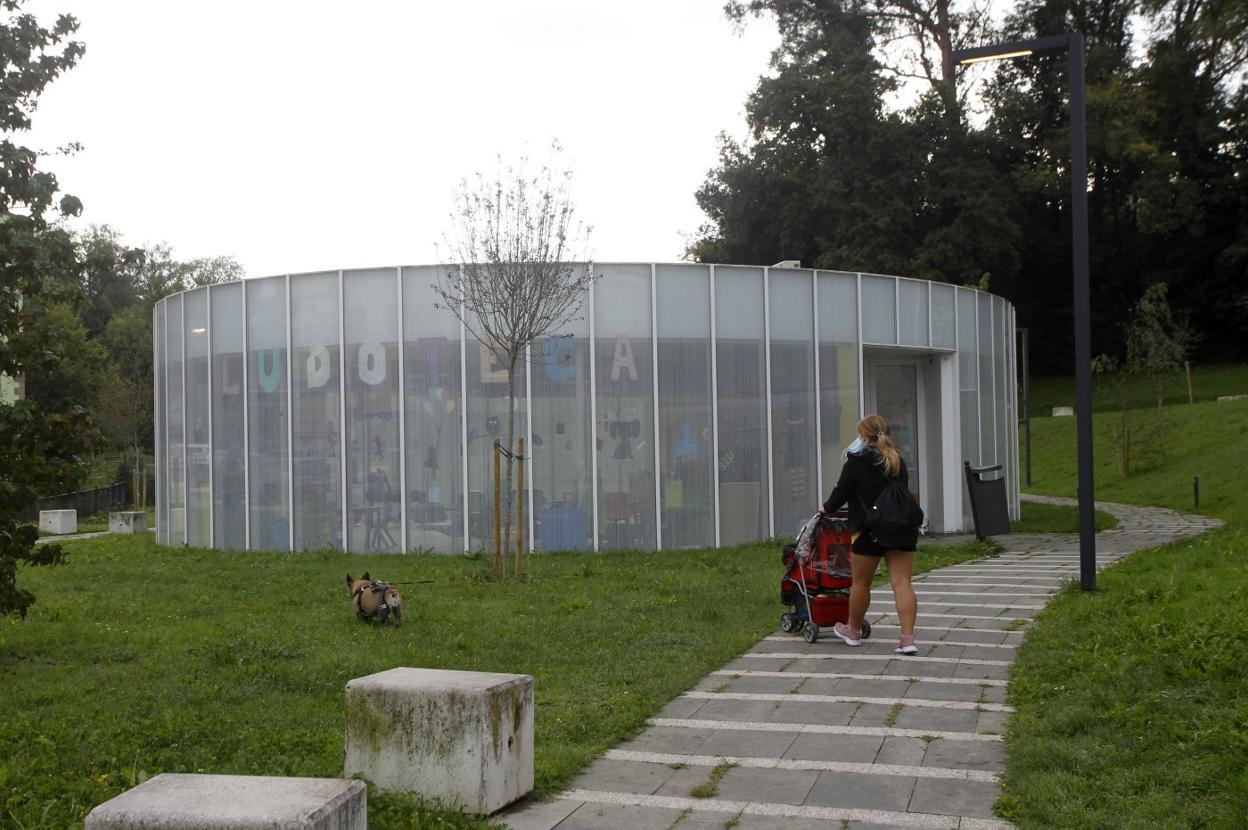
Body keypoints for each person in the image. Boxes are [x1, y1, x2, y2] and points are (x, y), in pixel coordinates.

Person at [820, 414, 919, 655]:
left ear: (863, 436)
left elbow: (838, 497)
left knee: (861, 583)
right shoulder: (897, 460)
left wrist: (825, 508)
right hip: (901, 528)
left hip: (869, 530)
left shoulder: (856, 463)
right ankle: (907, 640)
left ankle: (853, 631)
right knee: (902, 582)